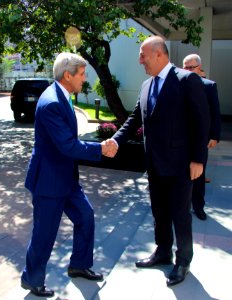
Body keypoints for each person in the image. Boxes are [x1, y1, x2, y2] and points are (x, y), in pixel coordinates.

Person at [110, 36, 210, 286]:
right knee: (159, 212)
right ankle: (163, 251)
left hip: (180, 164)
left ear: (158, 54)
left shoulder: (187, 80)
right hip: (154, 163)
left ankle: (183, 260)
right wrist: (115, 140)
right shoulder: (146, 86)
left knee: (180, 214)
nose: (140, 60)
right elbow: (135, 118)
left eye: (143, 55)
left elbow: (202, 121)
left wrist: (198, 159)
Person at [21, 52, 117, 297]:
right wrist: (101, 149)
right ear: (67, 75)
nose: (84, 79)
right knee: (45, 233)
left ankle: (79, 265)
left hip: (66, 178)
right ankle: (31, 279)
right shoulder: (52, 102)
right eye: (82, 75)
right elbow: (67, 146)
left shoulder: (62, 96)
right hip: (49, 181)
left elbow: (66, 144)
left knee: (85, 217)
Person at [183, 54, 221, 220]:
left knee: (198, 175)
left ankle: (198, 207)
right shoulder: (178, 85)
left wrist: (214, 135)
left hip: (200, 140)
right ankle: (181, 205)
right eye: (186, 67)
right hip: (181, 139)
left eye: (192, 67)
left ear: (199, 67)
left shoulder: (209, 86)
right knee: (182, 174)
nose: (189, 70)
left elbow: (215, 112)